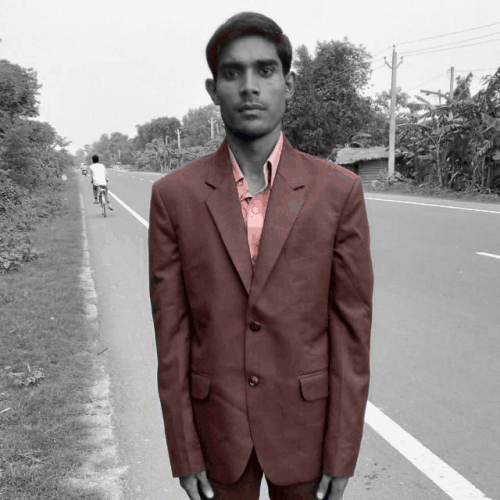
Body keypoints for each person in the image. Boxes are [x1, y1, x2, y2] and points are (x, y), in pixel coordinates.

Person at [149, 12, 373, 500]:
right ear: (213, 90)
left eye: (265, 70)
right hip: (217, 435)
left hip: (307, 434)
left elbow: (351, 333)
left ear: (288, 85)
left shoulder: (337, 192)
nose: (249, 86)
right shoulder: (174, 197)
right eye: (233, 73)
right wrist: (184, 451)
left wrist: (342, 452)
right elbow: (172, 335)